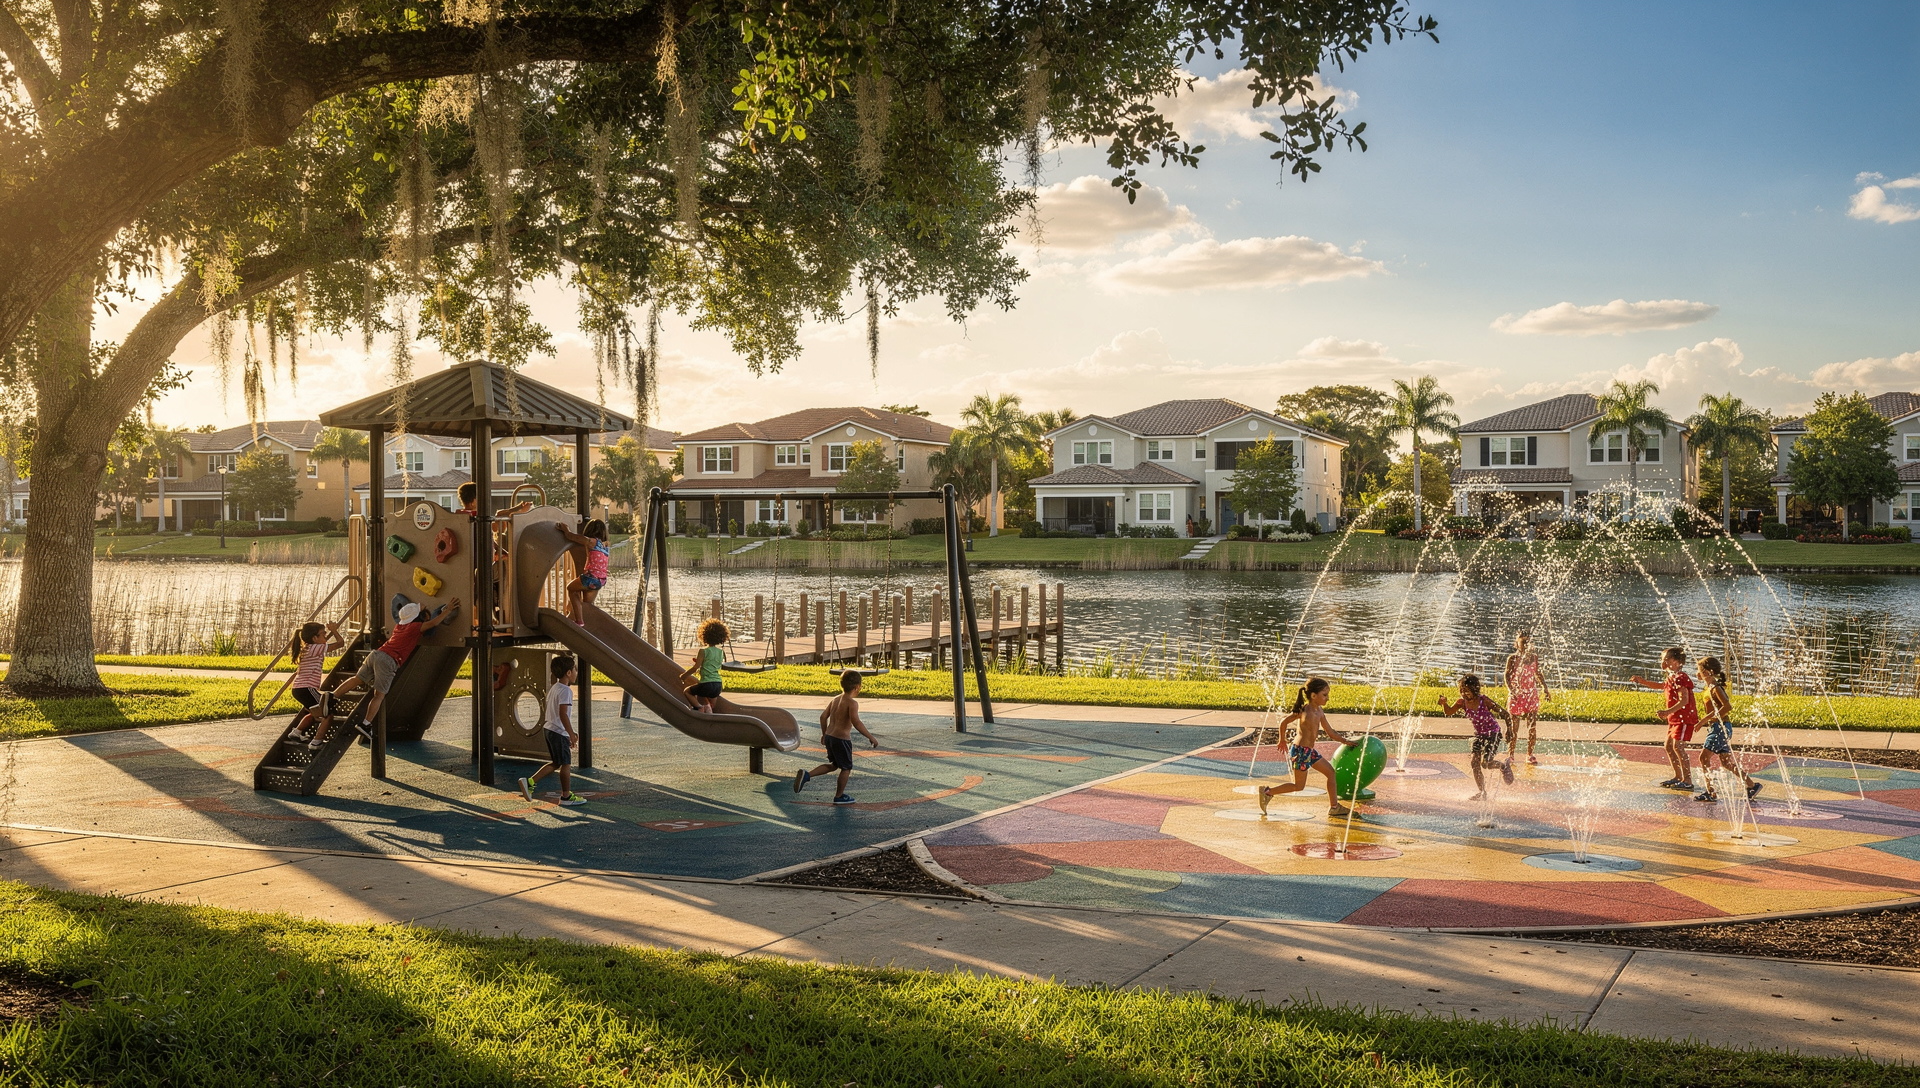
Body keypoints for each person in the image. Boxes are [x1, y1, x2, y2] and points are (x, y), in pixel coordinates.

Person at [316, 599, 460, 748]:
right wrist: (447, 609)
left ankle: (332, 695)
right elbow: (434, 623)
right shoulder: (416, 627)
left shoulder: (400, 626)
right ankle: (365, 724)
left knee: (358, 678)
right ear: (417, 617)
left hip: (377, 654)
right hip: (388, 660)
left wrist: (418, 608)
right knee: (379, 695)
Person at [1258, 676, 1355, 819]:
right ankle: (1267, 792)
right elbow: (1284, 723)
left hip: (1310, 751)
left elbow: (1330, 732)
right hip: (1301, 751)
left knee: (1330, 773)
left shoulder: (1320, 711)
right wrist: (1282, 740)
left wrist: (1345, 741)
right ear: (1313, 695)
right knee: (1298, 786)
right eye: (1324, 695)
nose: (1327, 698)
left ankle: (1334, 807)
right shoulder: (1304, 710)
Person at [793, 670, 879, 804]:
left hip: (830, 737)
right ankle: (839, 796)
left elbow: (823, 717)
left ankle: (807, 775)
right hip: (841, 739)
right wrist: (870, 736)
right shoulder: (852, 703)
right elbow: (856, 722)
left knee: (834, 765)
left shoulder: (836, 699)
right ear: (857, 686)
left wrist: (824, 733)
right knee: (846, 768)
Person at [519, 655, 587, 806]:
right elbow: (563, 714)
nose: (576, 672)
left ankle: (530, 782)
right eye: (574, 669)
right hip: (558, 731)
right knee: (566, 764)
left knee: (557, 763)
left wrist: (569, 732)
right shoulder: (566, 691)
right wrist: (570, 734)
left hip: (549, 729)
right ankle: (566, 797)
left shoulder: (554, 688)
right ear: (569, 673)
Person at [1693, 655, 1760, 803]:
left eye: (1700, 670)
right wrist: (1705, 721)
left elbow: (1727, 706)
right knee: (1726, 764)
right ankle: (1752, 785)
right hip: (1721, 727)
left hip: (1720, 728)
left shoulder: (1715, 688)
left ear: (1708, 672)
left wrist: (1705, 720)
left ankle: (1711, 792)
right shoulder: (1710, 687)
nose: (1697, 673)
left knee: (1704, 758)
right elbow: (1715, 708)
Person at [1439, 674, 1514, 800]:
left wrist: (1509, 731)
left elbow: (1505, 714)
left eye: (1466, 691)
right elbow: (1449, 712)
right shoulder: (1462, 702)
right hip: (1478, 735)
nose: (1463, 693)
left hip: (1493, 734)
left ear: (1474, 689)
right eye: (1461, 690)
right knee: (1474, 762)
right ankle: (1483, 792)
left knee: (1486, 763)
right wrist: (1444, 704)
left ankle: (1503, 766)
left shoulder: (1484, 701)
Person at [1633, 646, 1698, 792]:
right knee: (1669, 746)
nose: (1663, 662)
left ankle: (1687, 780)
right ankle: (1677, 776)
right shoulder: (1671, 677)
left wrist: (1667, 711)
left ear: (1677, 661)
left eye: (1666, 659)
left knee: (1678, 747)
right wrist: (1643, 681)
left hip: (1684, 719)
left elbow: (1684, 701)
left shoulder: (1681, 678)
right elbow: (1661, 686)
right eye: (1662, 659)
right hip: (1674, 719)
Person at [285, 619, 345, 744]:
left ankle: (296, 732)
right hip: (306, 688)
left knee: (314, 713)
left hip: (299, 689)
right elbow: (340, 643)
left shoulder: (308, 648)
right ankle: (317, 741)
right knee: (327, 713)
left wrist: (325, 634)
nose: (325, 636)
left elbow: (325, 643)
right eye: (323, 634)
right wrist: (334, 630)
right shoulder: (315, 648)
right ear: (315, 638)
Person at [1503, 633, 1550, 765]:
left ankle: (1529, 754)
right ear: (1516, 644)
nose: (1526, 645)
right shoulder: (1512, 659)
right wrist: (1512, 691)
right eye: (1523, 642)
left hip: (1531, 696)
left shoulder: (1534, 658)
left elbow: (1538, 673)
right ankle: (1511, 754)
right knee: (1514, 728)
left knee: (1532, 727)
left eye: (1528, 642)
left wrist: (1545, 688)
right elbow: (1507, 676)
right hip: (1517, 696)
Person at [560, 517, 611, 625]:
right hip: (600, 581)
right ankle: (587, 623)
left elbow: (571, 536)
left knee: (571, 589)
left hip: (590, 578)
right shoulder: (605, 546)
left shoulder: (591, 541)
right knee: (587, 605)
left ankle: (579, 621)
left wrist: (566, 530)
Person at [679, 618, 729, 712]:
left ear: (704, 635)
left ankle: (699, 707)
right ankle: (709, 713)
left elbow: (696, 667)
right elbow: (713, 663)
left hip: (707, 683)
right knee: (710, 703)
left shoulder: (703, 651)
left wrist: (684, 676)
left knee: (687, 692)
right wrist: (701, 661)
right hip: (718, 684)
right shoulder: (721, 652)